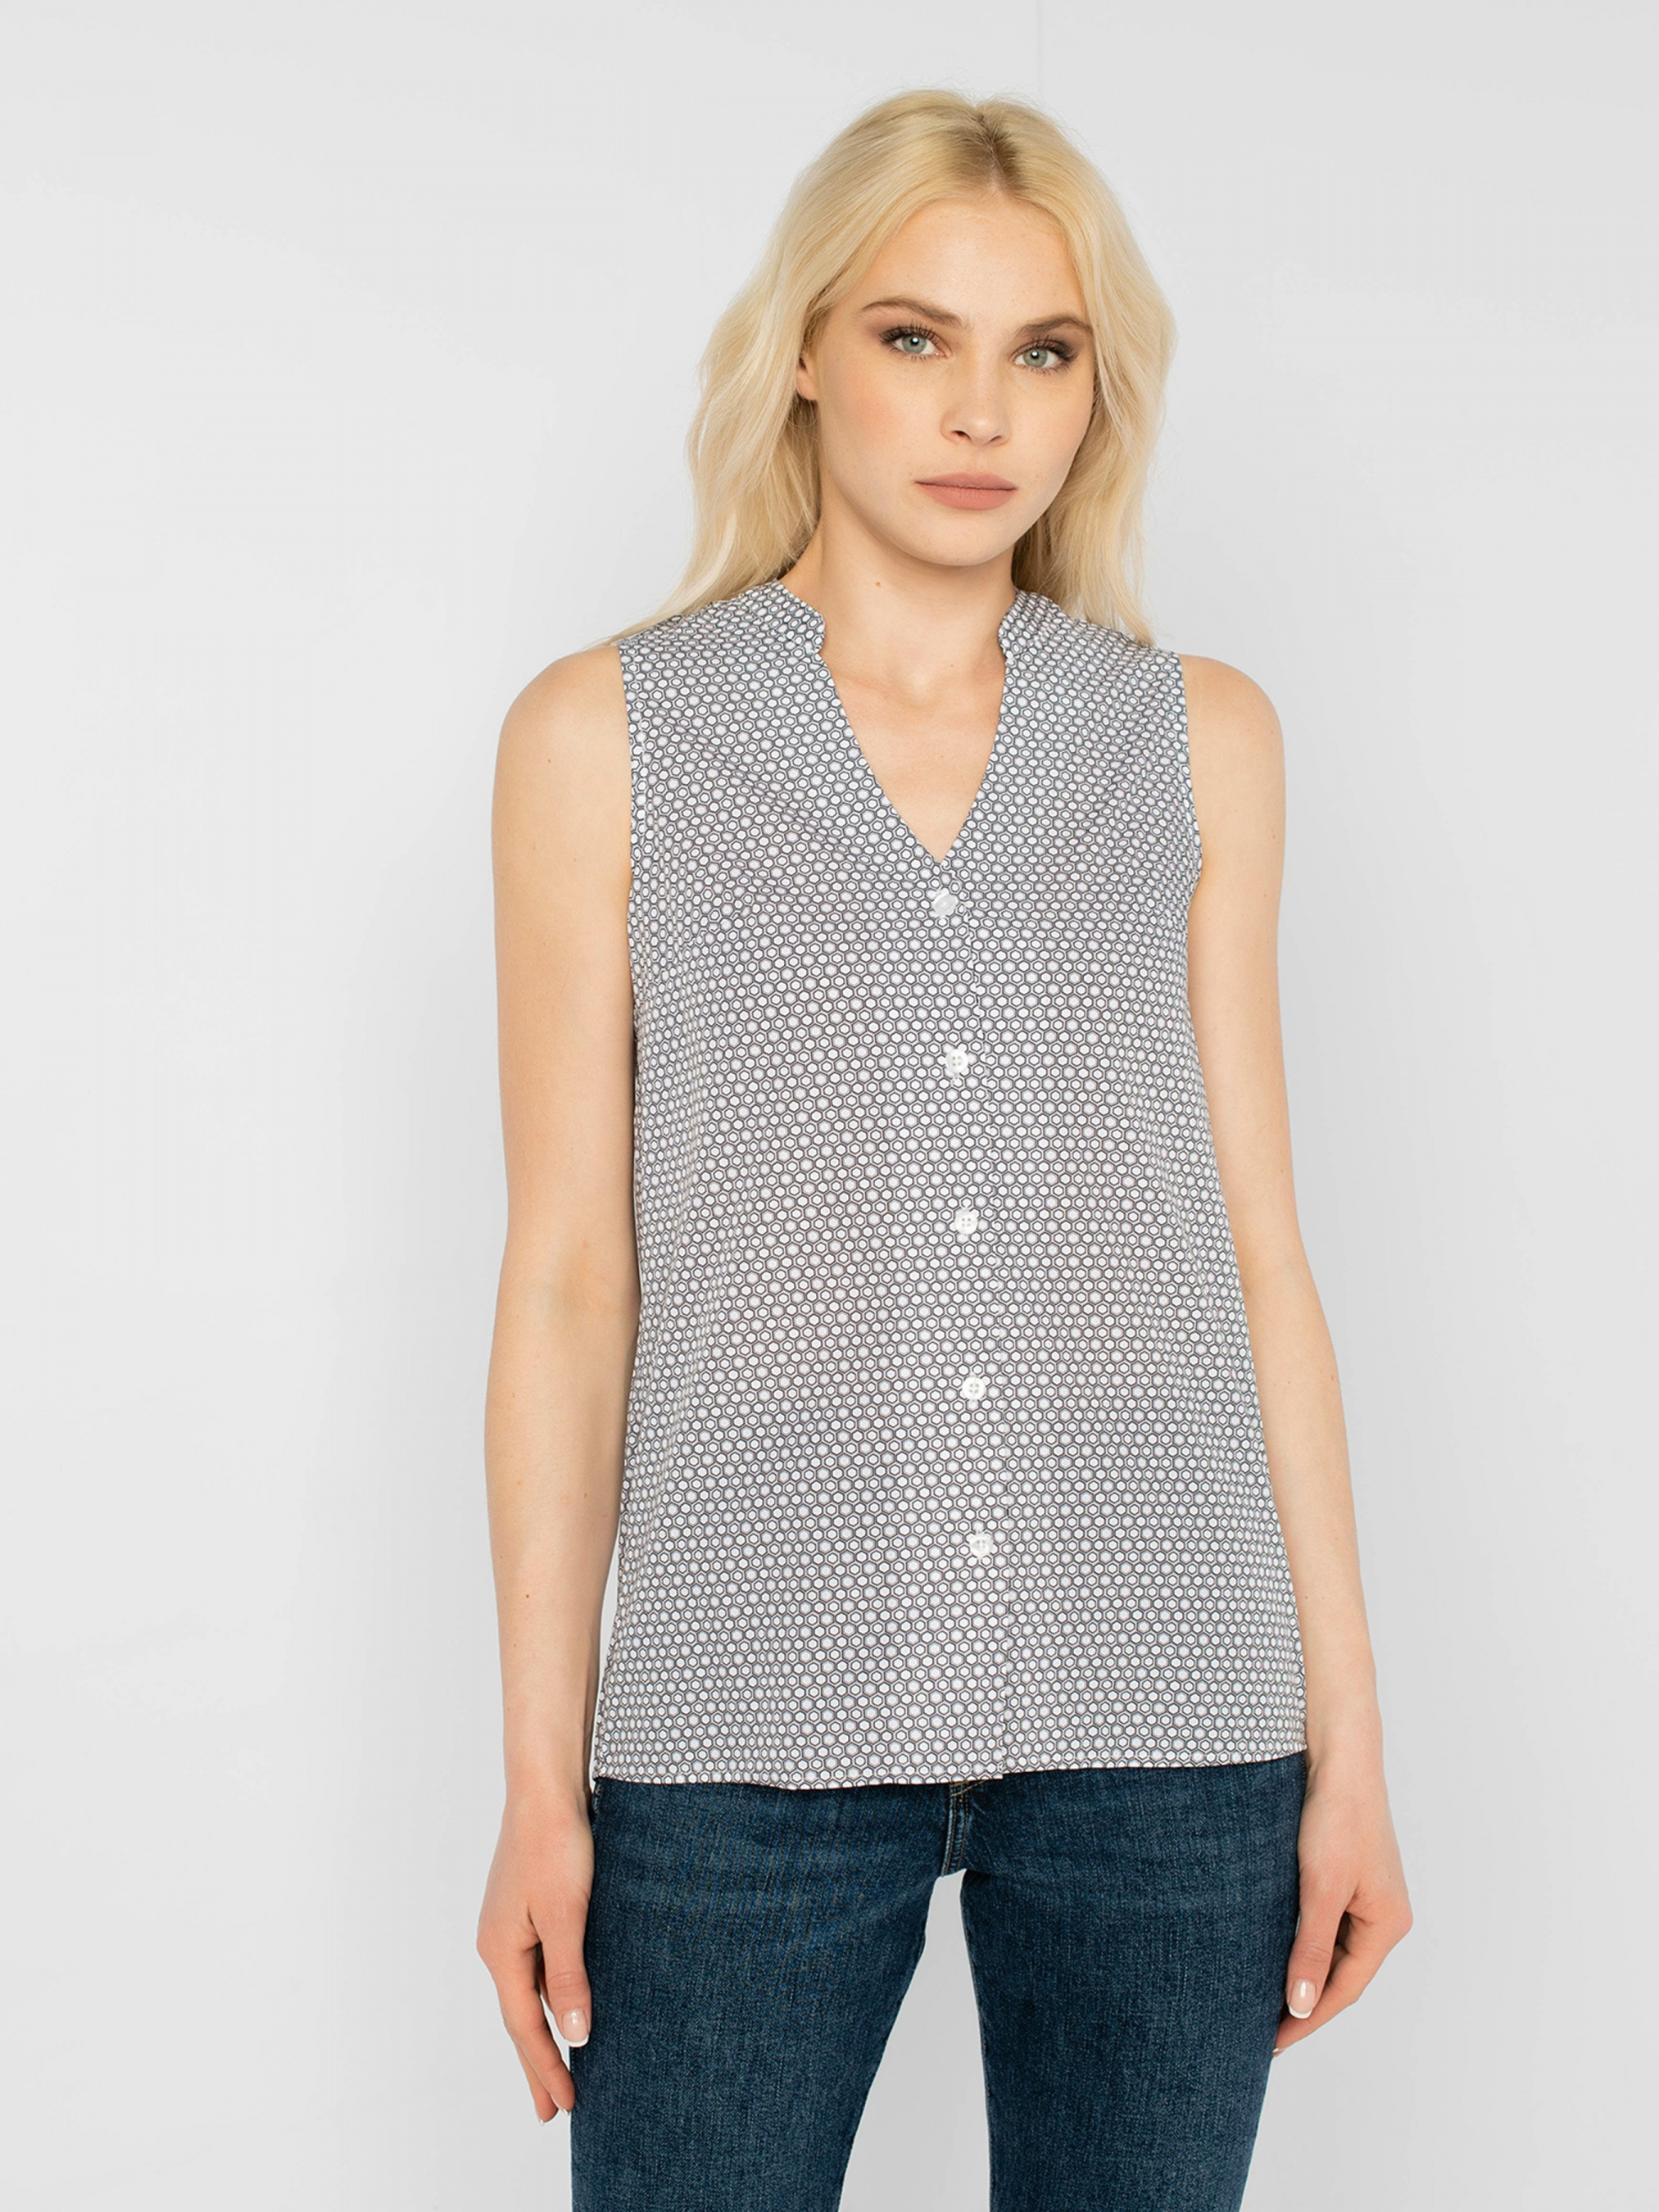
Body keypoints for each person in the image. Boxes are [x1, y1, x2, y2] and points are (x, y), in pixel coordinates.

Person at [475, 87, 1412, 2212]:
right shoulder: (606, 737)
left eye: (1043, 351)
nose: (982, 409)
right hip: (744, 1705)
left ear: (1096, 390)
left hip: (1169, 1705)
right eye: (916, 337)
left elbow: (1261, 1254)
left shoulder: (1195, 741)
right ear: (806, 351)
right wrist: (539, 1777)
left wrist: (1349, 1739)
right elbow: (568, 1279)